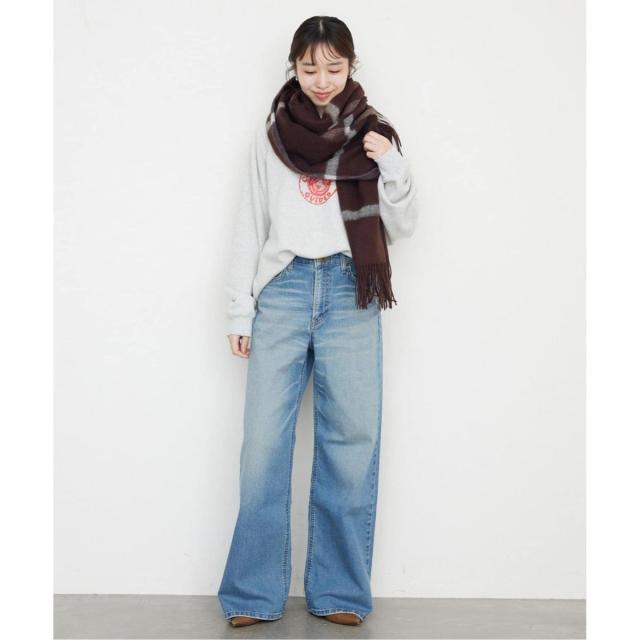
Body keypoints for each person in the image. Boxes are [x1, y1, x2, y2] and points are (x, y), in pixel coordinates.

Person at [217, 15, 419, 628]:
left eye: (334, 67)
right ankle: (253, 594)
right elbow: (251, 221)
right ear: (294, 68)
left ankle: (338, 591)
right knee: (263, 445)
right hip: (282, 289)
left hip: (351, 289)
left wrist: (392, 164)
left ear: (352, 66)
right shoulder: (271, 135)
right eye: (310, 68)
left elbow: (402, 226)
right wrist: (239, 306)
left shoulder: (373, 134)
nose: (322, 80)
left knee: (351, 443)